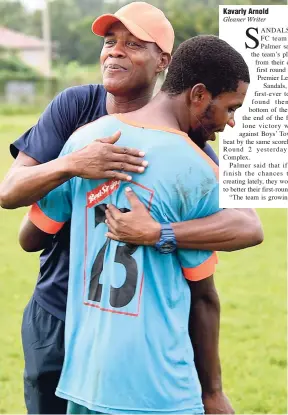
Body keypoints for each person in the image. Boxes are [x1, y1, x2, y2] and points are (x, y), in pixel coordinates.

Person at [0, 2, 263, 414]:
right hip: (60, 311)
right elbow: (10, 195)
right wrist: (73, 166)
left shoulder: (178, 150)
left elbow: (30, 234)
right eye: (110, 42)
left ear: (164, 62)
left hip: (100, 348)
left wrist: (155, 231)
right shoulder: (76, 113)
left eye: (133, 44)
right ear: (197, 95)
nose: (115, 51)